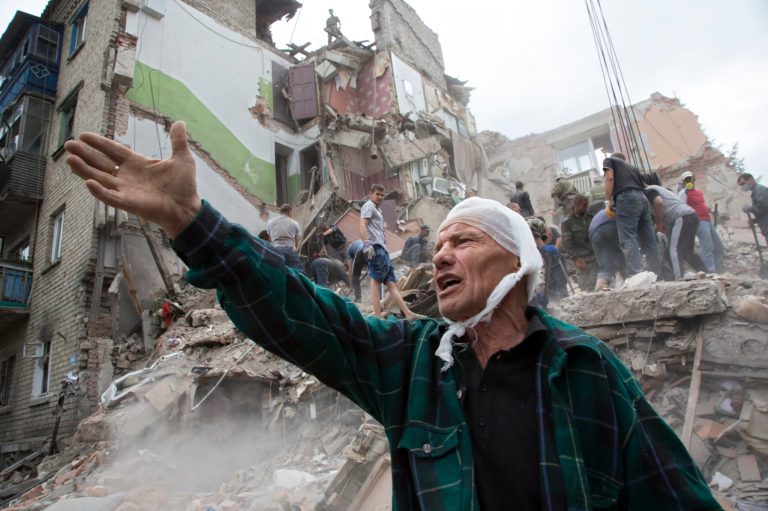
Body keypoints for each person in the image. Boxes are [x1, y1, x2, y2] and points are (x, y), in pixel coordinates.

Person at [65, 122, 721, 511]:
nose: (439, 256)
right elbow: (300, 312)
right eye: (436, 246)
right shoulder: (412, 363)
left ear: (518, 262)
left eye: (461, 242)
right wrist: (192, 222)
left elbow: (675, 494)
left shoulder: (586, 372)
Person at [360, 184, 419, 319]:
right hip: (375, 248)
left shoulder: (377, 210)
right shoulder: (368, 206)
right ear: (371, 194)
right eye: (377, 194)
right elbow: (362, 224)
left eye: (382, 195)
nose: (380, 197)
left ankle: (408, 313)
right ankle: (378, 315)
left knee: (391, 284)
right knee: (375, 281)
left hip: (382, 250)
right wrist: (367, 244)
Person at [603, 152, 661, 277]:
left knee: (628, 237)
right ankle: (655, 274)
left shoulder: (609, 160)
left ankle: (637, 274)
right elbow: (644, 185)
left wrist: (607, 201)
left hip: (626, 197)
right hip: (642, 199)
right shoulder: (633, 168)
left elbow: (609, 178)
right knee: (649, 238)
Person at [644, 183, 708, 280]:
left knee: (673, 250)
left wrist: (659, 222)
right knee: (687, 252)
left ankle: (678, 279)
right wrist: (655, 229)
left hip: (682, 217)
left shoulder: (648, 191)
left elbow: (659, 203)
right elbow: (657, 223)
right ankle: (707, 273)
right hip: (691, 216)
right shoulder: (658, 190)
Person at [679, 171, 724, 273]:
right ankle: (710, 272)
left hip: (707, 220)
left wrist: (711, 211)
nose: (688, 181)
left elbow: (701, 205)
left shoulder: (699, 192)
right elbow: (681, 208)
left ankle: (717, 270)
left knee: (718, 246)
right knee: (707, 247)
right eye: (686, 180)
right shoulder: (683, 193)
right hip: (699, 222)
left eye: (690, 179)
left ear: (693, 179)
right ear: (683, 182)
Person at [527, 217, 569, 304]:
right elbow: (544, 249)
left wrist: (551, 248)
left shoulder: (542, 232)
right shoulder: (529, 233)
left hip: (550, 269)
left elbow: (544, 248)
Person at [561, 194, 597, 292]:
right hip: (582, 261)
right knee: (587, 290)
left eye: (587, 205)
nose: (586, 208)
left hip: (595, 258)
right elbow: (567, 243)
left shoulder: (590, 217)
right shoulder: (567, 222)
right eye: (584, 205)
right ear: (576, 205)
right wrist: (576, 259)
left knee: (601, 287)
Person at [589, 208, 625, 291]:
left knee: (605, 266)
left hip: (594, 233)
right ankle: (630, 282)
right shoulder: (622, 209)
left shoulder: (604, 211)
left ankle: (600, 288)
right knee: (623, 258)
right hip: (609, 226)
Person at [267, 203, 303, 272]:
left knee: (276, 271)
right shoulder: (294, 223)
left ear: (281, 212)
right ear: (289, 211)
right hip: (289, 249)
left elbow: (270, 239)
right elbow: (297, 242)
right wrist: (295, 248)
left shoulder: (270, 222)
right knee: (300, 271)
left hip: (275, 249)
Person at [738, 172, 768, 243]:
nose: (743, 186)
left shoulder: (759, 190)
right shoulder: (756, 192)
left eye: (743, 184)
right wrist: (755, 220)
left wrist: (749, 208)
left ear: (751, 179)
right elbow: (763, 213)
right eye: (741, 185)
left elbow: (764, 207)